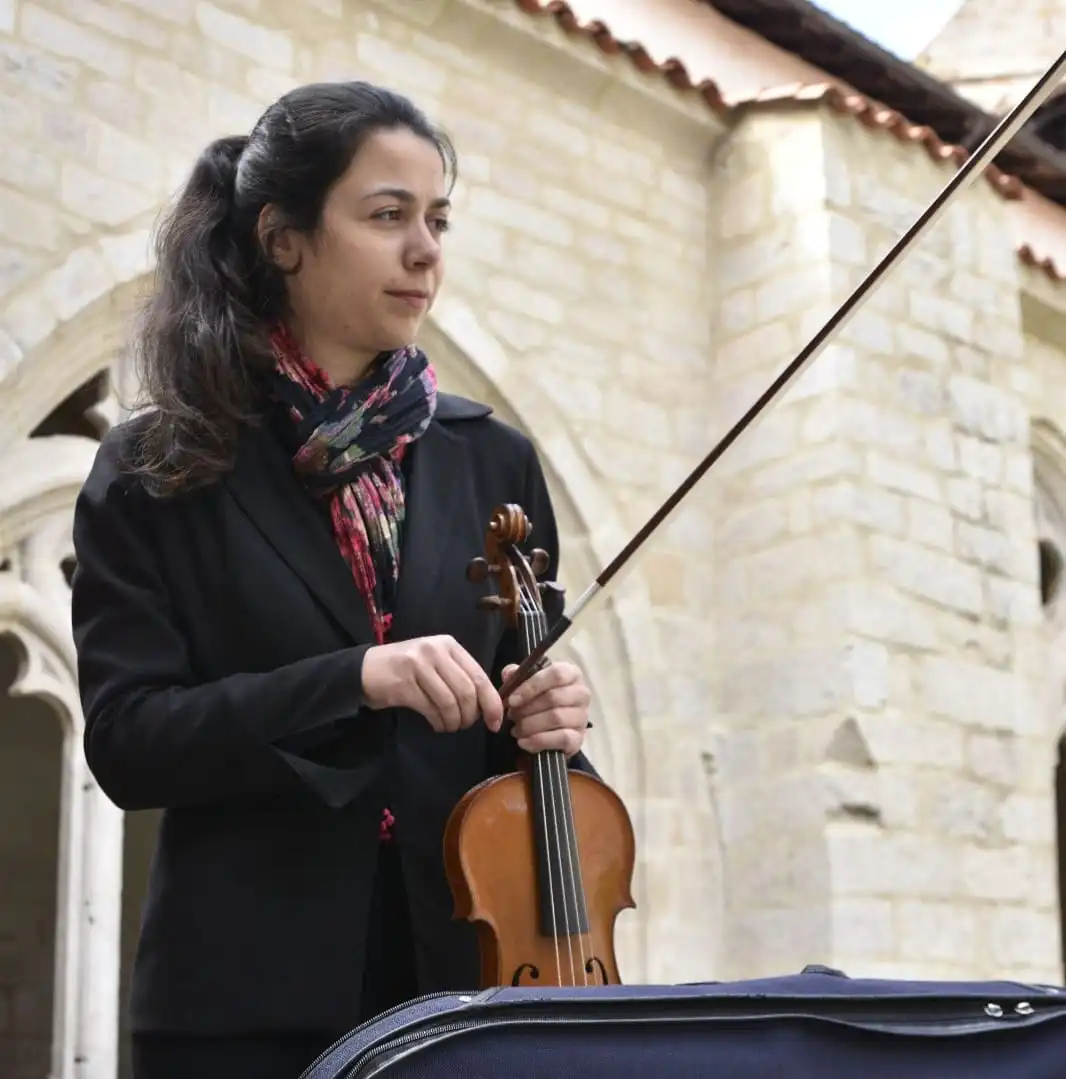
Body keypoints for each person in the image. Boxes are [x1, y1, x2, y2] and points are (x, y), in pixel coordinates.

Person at [69, 80, 595, 1079]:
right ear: (282, 237)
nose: (426, 249)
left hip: (464, 993)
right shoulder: (162, 466)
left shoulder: (494, 464)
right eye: (387, 215)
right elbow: (131, 741)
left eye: (436, 218)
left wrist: (550, 722)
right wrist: (356, 677)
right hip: (240, 1008)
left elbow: (523, 747)